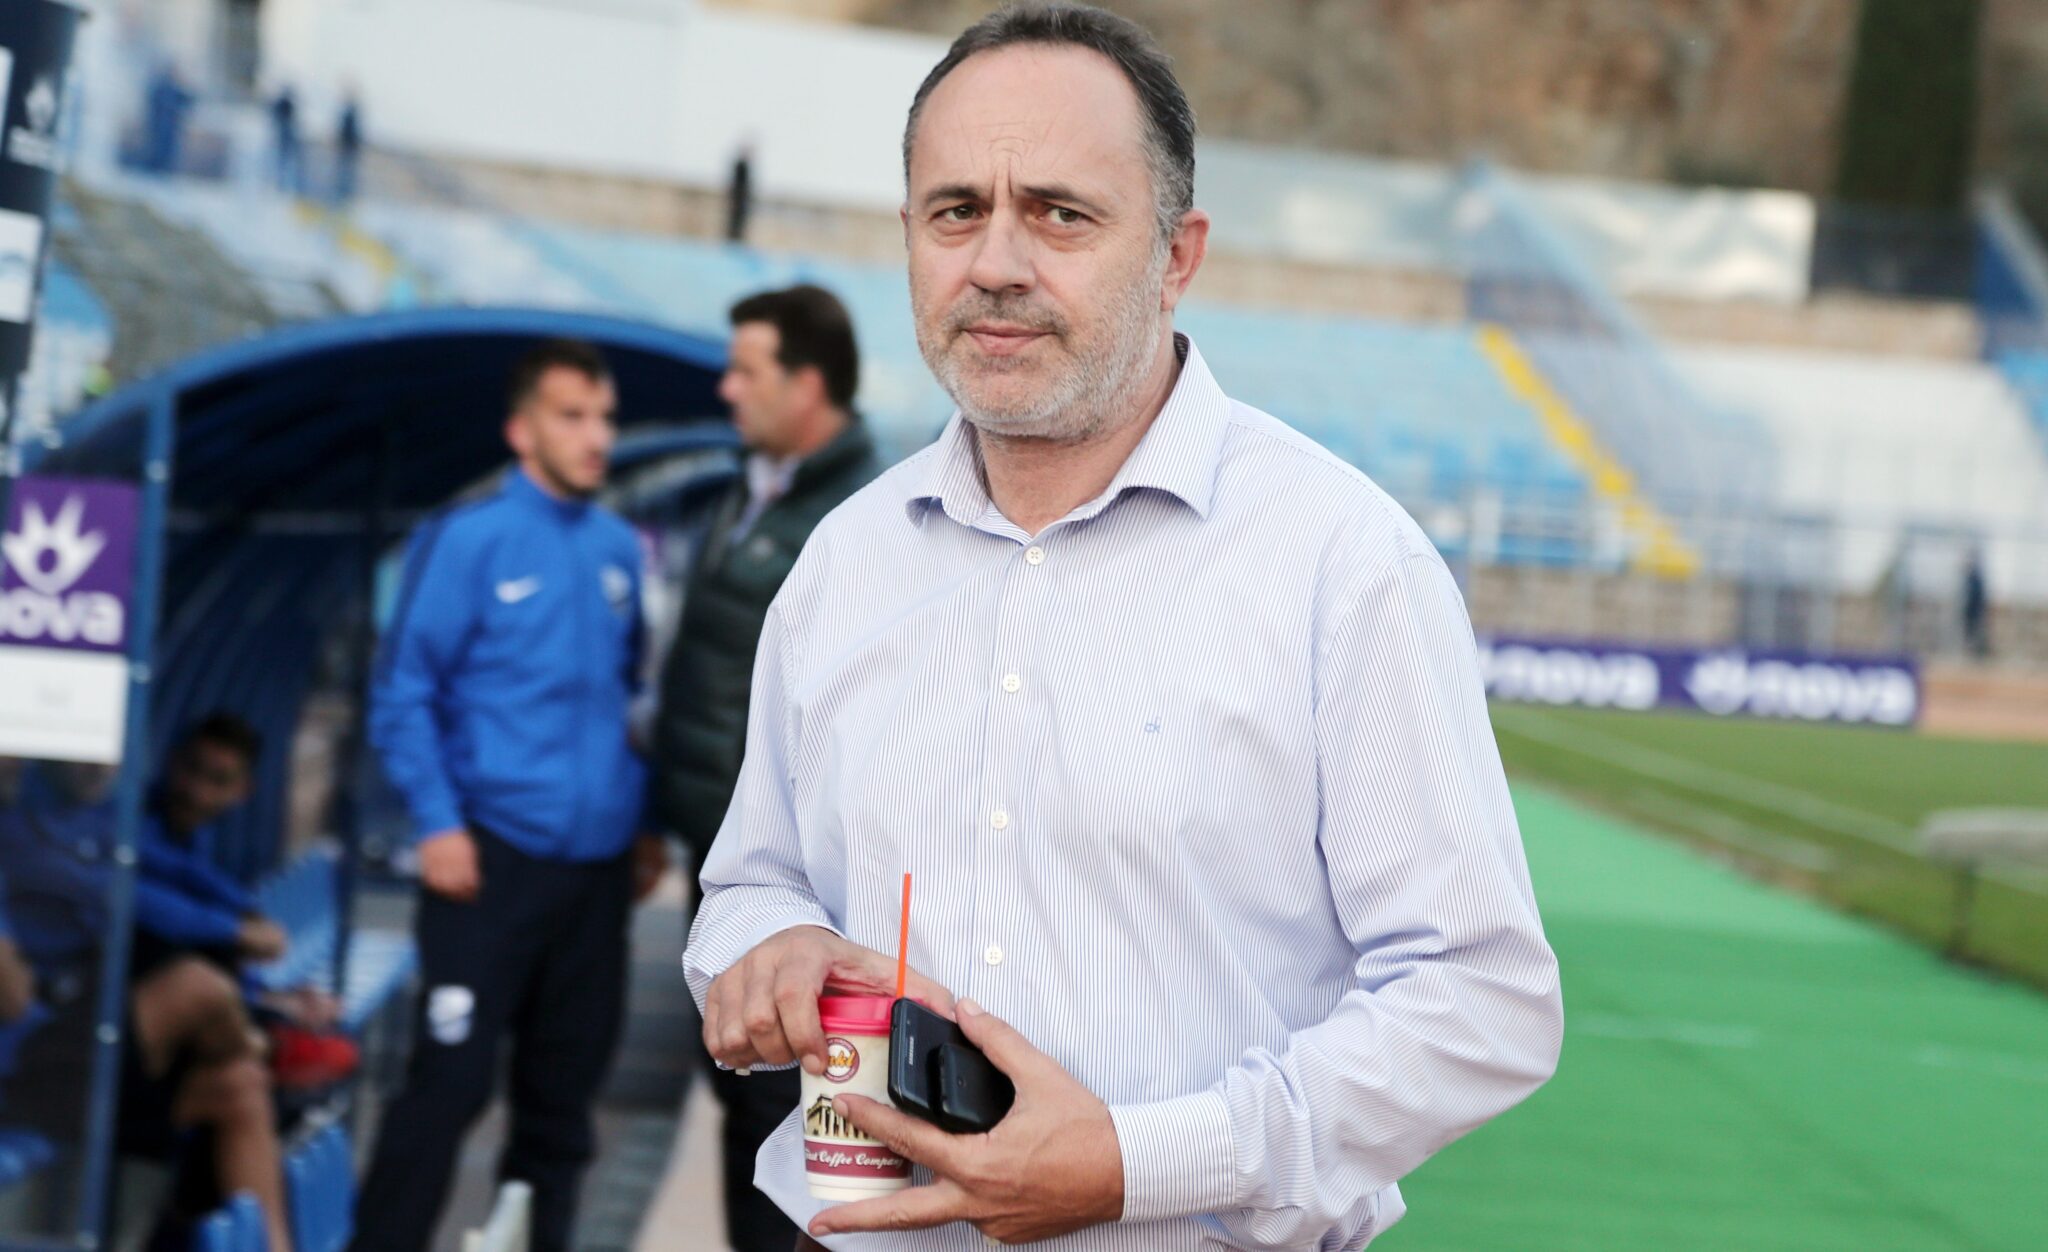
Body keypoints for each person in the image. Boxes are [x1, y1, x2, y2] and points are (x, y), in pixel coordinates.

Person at [682, 6, 1563, 1250]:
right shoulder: (846, 560)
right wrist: (772, 941)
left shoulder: (1340, 562)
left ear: (1175, 254)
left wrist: (1135, 1162)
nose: (995, 262)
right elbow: (750, 876)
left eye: (1059, 214)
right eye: (955, 211)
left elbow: (1478, 997)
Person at [352, 339, 669, 1252]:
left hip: (594, 876)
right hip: (488, 862)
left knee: (561, 1112)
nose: (596, 436)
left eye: (605, 417)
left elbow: (631, 701)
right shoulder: (468, 540)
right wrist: (438, 823)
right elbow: (403, 692)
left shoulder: (617, 548)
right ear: (521, 430)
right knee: (447, 1090)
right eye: (573, 416)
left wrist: (644, 823)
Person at [651, 284, 882, 1251]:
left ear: (808, 384)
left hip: (796, 901)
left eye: (747, 370)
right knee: (743, 1113)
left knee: (787, 1136)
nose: (727, 389)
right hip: (725, 865)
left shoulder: (863, 530)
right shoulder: (752, 491)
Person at [0, 760, 297, 1252]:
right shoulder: (21, 825)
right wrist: (232, 929)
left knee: (239, 1086)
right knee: (198, 990)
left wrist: (242, 913)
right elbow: (15, 996)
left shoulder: (76, 810)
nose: (98, 763)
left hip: (74, 1042)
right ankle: (260, 1040)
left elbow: (155, 869)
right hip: (25, 1071)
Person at [269, 85, 302, 196]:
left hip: (284, 137)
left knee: (284, 161)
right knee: (282, 161)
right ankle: (281, 184)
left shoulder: (284, 104)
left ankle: (283, 184)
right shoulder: (284, 104)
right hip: (283, 136)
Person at [333, 90, 363, 206]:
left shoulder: (350, 114)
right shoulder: (349, 114)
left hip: (348, 149)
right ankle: (342, 197)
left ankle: (344, 197)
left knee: (345, 174)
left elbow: (351, 133)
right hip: (346, 148)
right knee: (344, 174)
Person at [1961, 547, 1990, 659]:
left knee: (1974, 632)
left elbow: (1977, 595)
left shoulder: (1976, 577)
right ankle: (1971, 651)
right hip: (1971, 610)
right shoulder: (1972, 576)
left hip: (1974, 610)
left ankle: (1975, 653)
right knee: (1970, 632)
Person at [726, 141, 754, 244]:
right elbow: (735, 184)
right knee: (734, 224)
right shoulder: (740, 166)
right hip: (737, 201)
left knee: (740, 225)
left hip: (742, 201)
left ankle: (736, 241)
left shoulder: (746, 166)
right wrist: (734, 199)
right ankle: (732, 241)